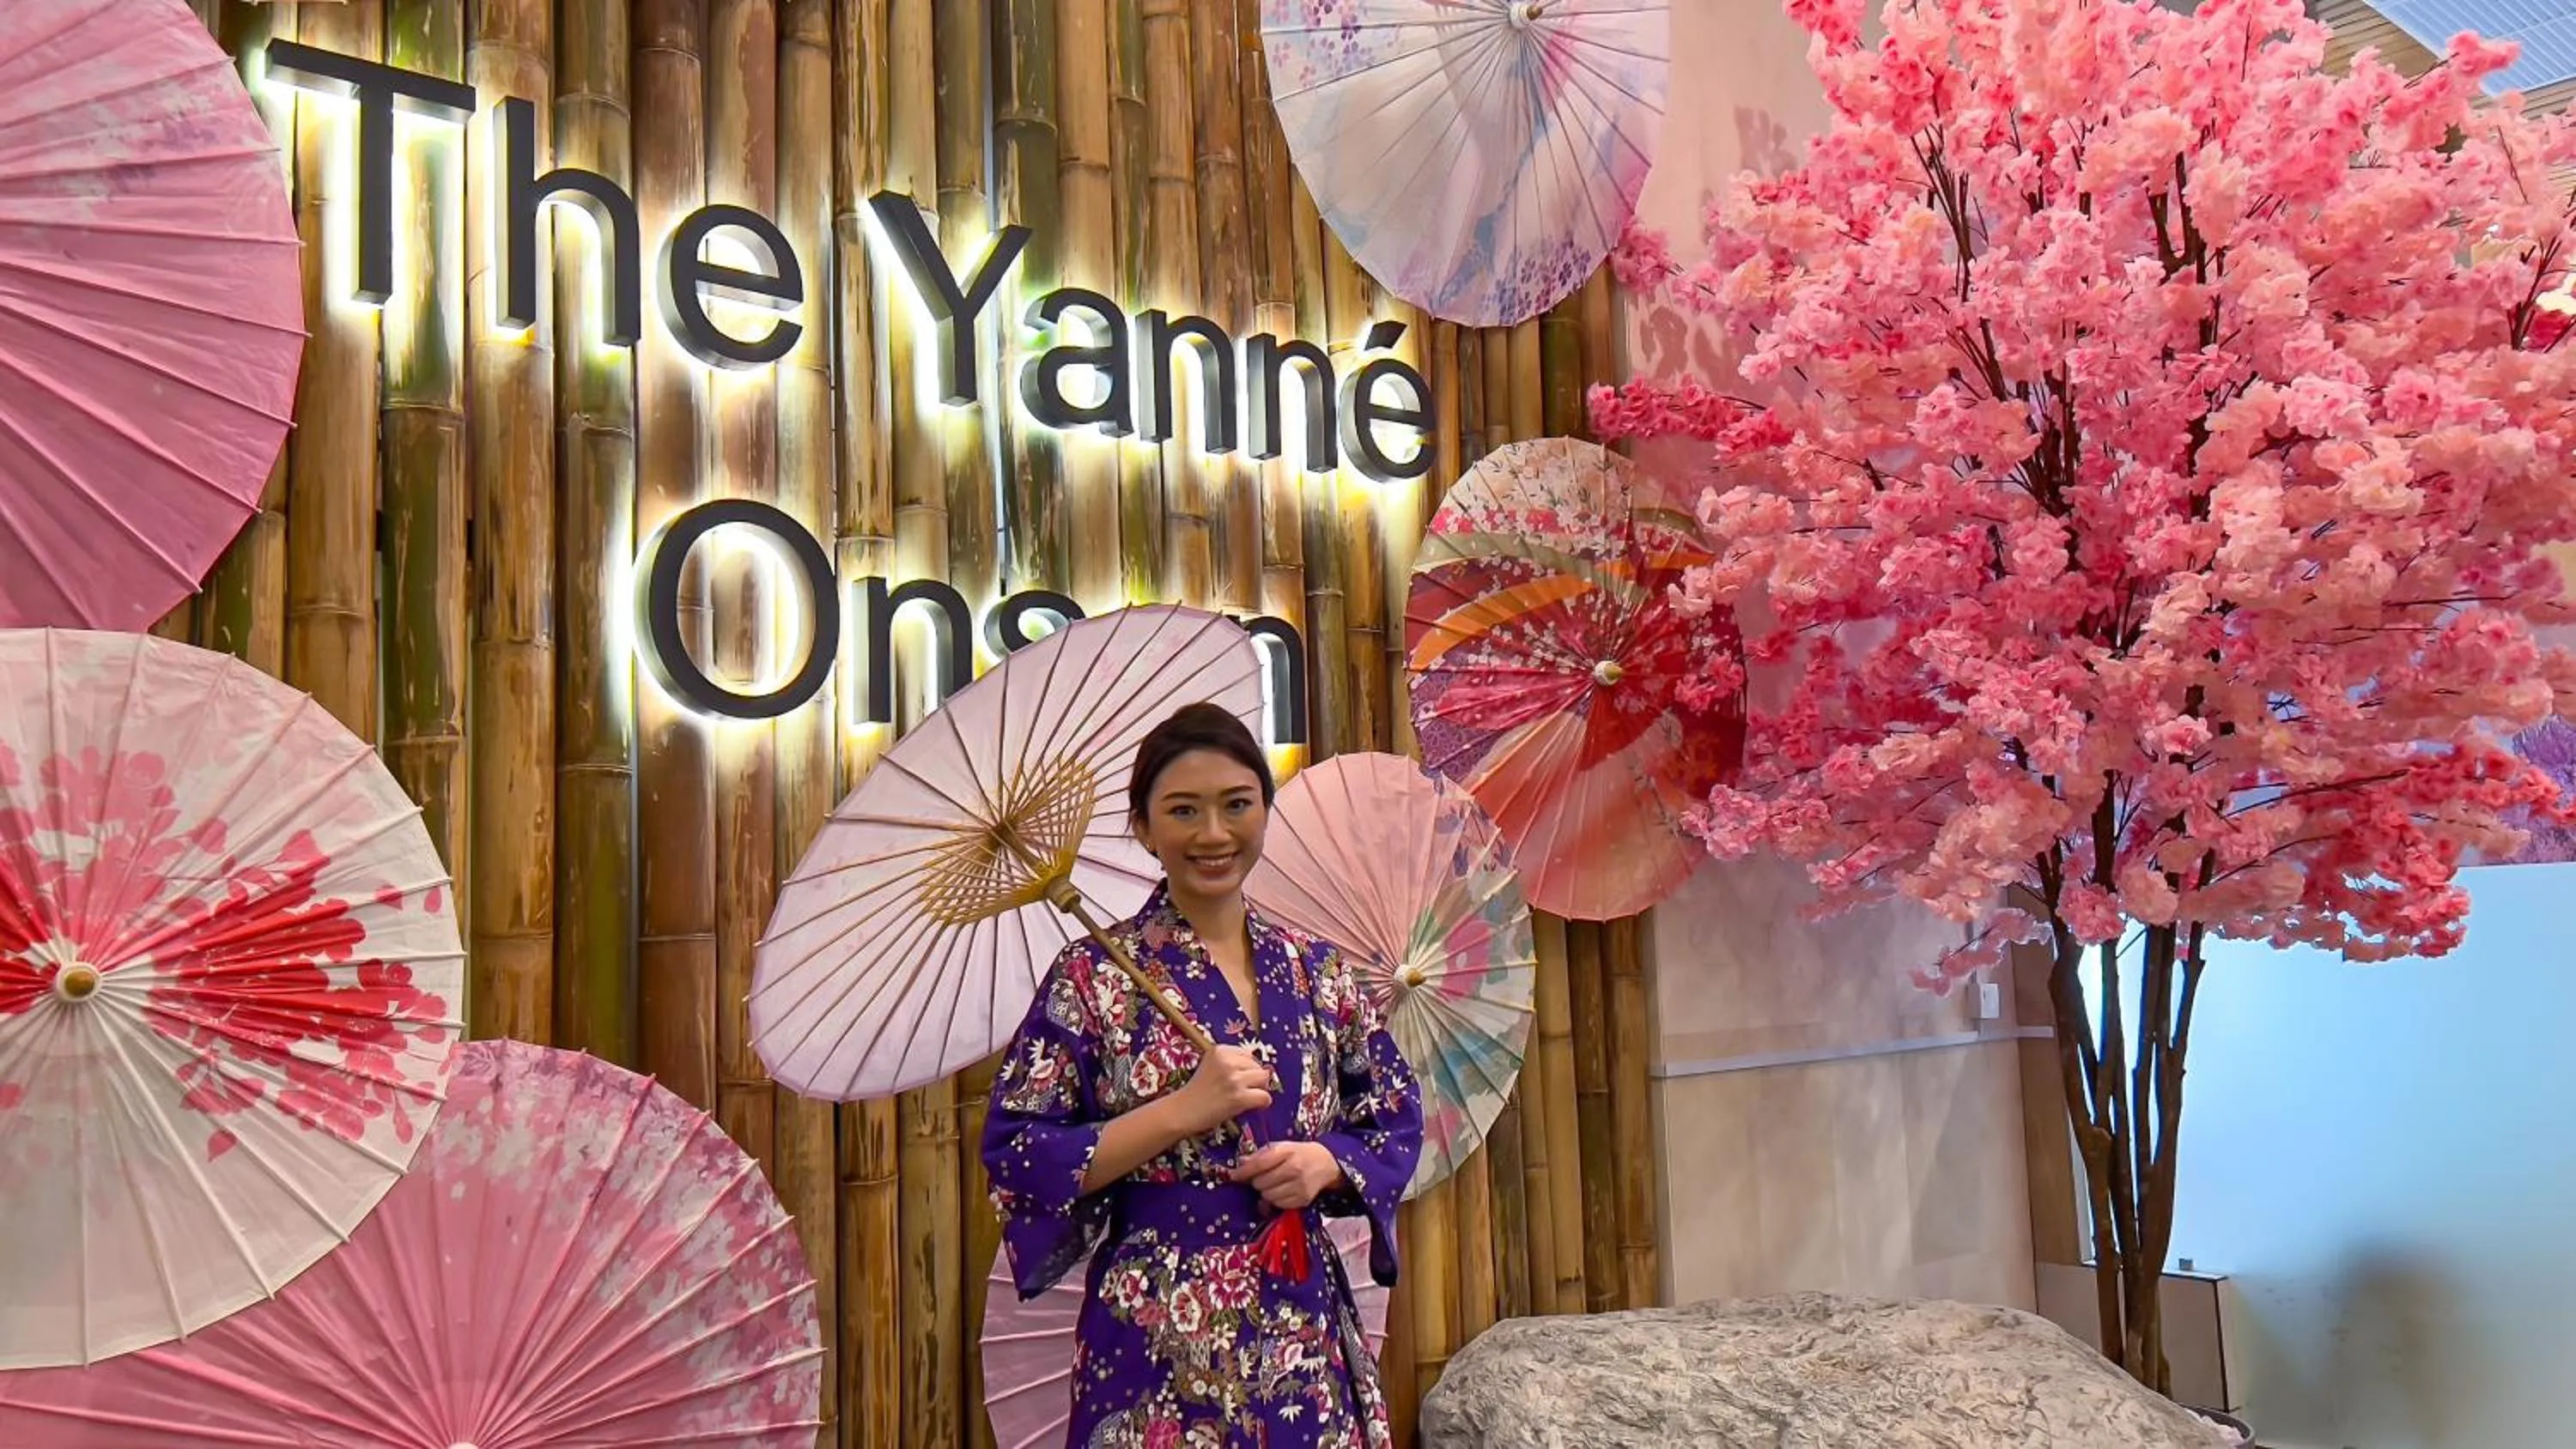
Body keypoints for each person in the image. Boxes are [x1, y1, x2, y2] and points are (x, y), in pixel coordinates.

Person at [981, 700, 1425, 1449]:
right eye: (1183, 810)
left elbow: (1394, 1116)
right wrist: (1181, 1111)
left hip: (1301, 1325)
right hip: (1155, 1328)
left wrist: (1325, 1162)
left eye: (1237, 805)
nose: (1214, 834)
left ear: (1265, 811)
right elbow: (1019, 1151)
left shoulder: (1317, 971)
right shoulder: (1092, 978)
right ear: (1143, 826)